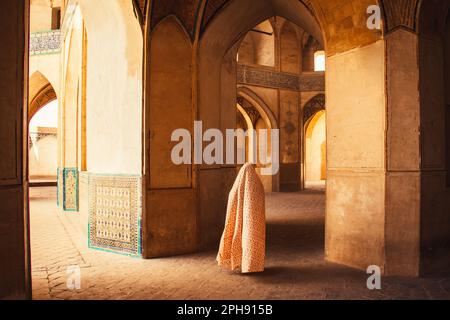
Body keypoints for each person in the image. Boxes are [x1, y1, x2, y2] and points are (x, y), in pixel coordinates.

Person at [217, 163, 266, 273]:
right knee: (249, 238)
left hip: (246, 217)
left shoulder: (240, 184)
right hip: (252, 220)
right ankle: (250, 265)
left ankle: (246, 263)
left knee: (243, 238)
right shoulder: (254, 182)